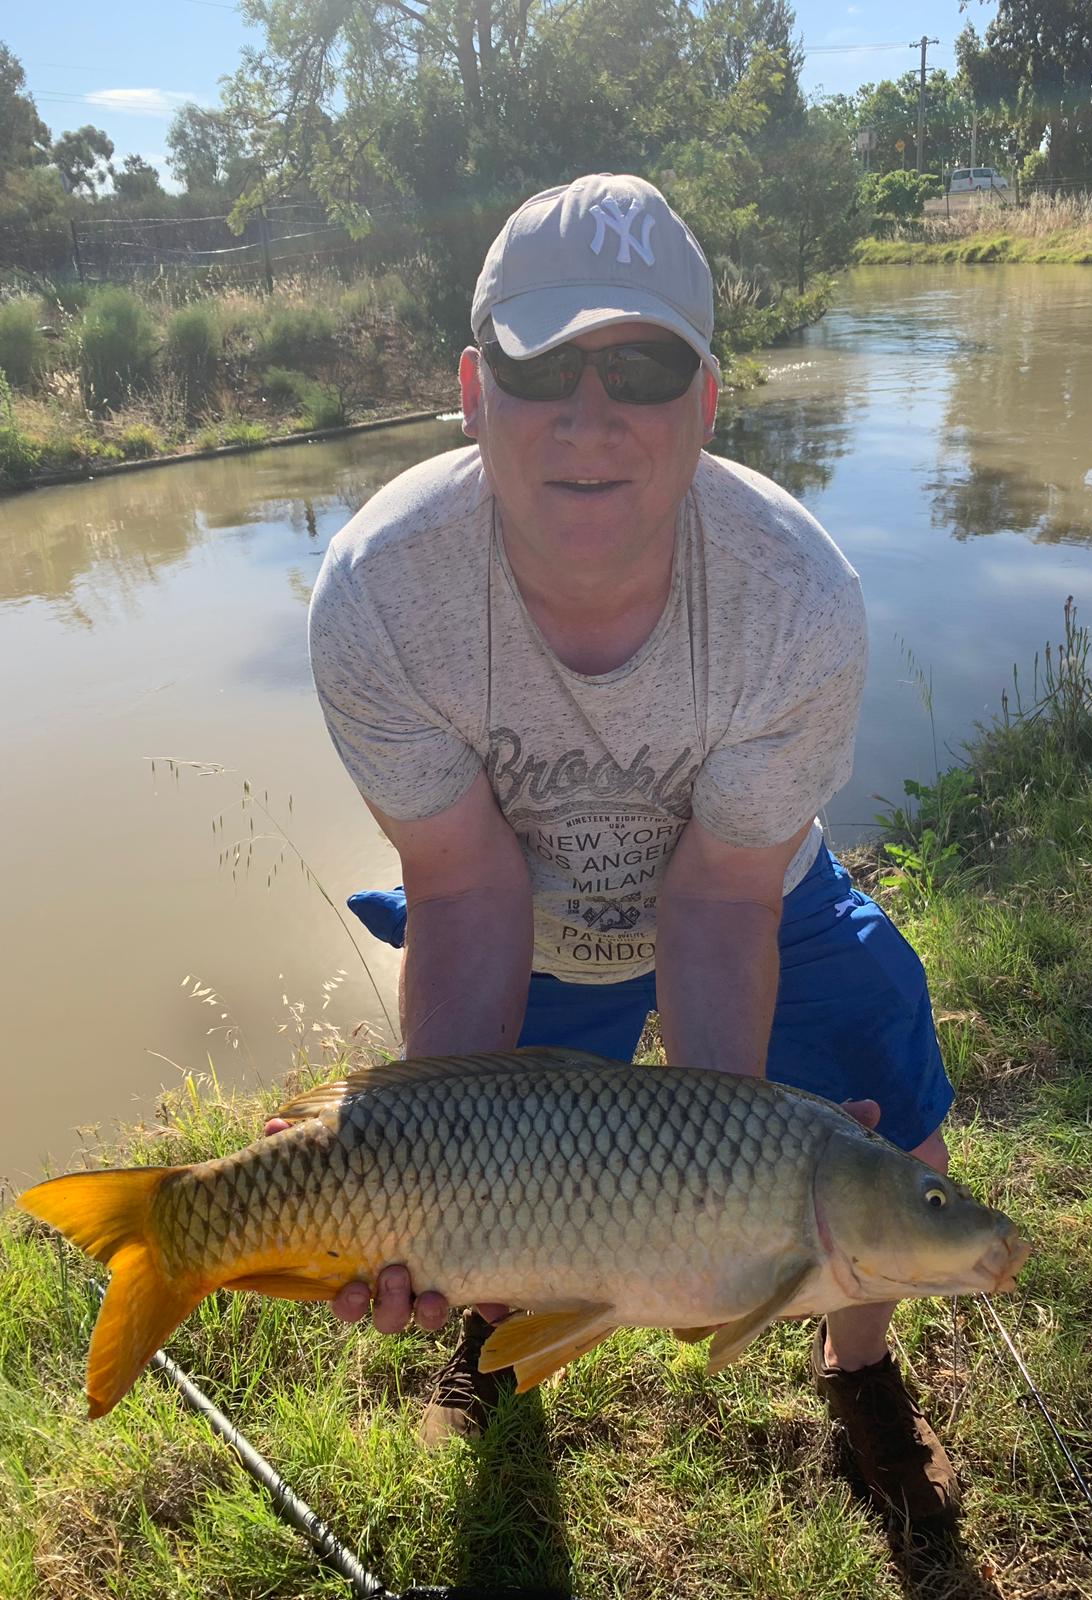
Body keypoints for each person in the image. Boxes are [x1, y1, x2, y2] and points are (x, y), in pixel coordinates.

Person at [299, 173, 959, 1524]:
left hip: (748, 886)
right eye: (544, 368)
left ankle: (862, 1371)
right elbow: (466, 888)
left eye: (644, 365)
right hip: (521, 915)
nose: (591, 417)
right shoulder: (379, 592)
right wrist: (437, 1175)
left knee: (898, 1119)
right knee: (475, 1194)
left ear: (707, 404)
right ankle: (490, 1334)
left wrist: (724, 1203)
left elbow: (720, 903)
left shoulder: (798, 598)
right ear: (475, 393)